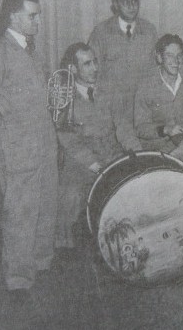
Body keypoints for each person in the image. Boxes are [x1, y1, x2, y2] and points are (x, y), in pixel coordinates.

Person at [0, 0, 59, 305]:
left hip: (44, 142)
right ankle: (18, 280)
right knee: (20, 211)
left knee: (46, 203)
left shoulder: (31, 50)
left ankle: (40, 263)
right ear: (13, 16)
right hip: (18, 146)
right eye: (32, 15)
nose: (38, 21)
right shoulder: (0, 52)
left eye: (38, 15)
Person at [55, 42, 142, 248]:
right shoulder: (63, 96)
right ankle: (67, 250)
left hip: (111, 155)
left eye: (95, 62)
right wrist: (95, 165)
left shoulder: (109, 90)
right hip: (81, 164)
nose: (95, 68)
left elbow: (123, 126)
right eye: (87, 64)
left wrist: (138, 152)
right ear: (73, 69)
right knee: (71, 198)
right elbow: (68, 140)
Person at [88, 0, 157, 141]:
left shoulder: (150, 31)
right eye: (126, 2)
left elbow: (156, 72)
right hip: (111, 111)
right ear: (115, 4)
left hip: (141, 110)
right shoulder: (101, 32)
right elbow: (90, 73)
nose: (131, 6)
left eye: (135, 1)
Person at [134, 34, 183, 153]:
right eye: (170, 55)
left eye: (179, 56)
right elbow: (140, 128)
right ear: (159, 58)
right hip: (158, 151)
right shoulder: (146, 87)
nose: (176, 61)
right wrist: (165, 130)